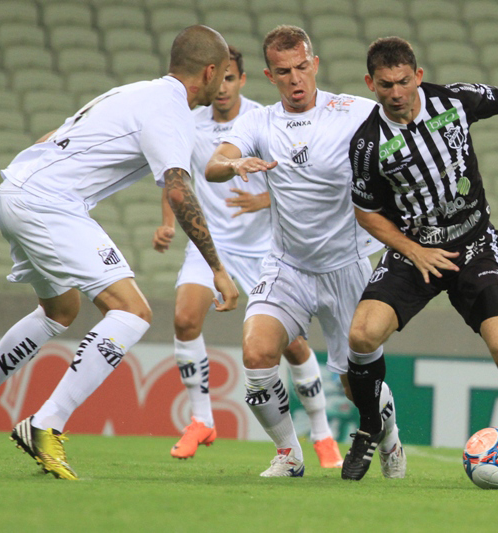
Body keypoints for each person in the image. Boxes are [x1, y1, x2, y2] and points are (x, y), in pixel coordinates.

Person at [0, 25, 239, 480]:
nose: (221, 87)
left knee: (59, 311)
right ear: (210, 72)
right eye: (222, 76)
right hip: (48, 204)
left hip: (16, 190)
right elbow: (179, 191)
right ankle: (46, 423)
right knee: (132, 312)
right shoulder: (171, 110)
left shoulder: (133, 91)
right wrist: (216, 267)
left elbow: (52, 136)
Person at [343, 37, 498, 488]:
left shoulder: (453, 100)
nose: (396, 93)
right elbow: (367, 213)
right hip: (416, 250)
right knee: (361, 336)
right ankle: (368, 427)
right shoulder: (367, 144)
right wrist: (412, 250)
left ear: (418, 76)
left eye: (403, 81)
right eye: (385, 85)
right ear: (370, 83)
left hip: (473, 244)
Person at [205, 26, 406, 478]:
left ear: (314, 64)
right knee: (256, 354)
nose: (295, 79)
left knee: (356, 386)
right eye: (283, 72)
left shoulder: (354, 112)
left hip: (346, 267)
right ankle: (288, 454)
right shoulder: (259, 123)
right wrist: (234, 163)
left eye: (301, 67)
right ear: (269, 76)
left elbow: (405, 134)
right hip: (287, 266)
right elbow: (213, 165)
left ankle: (390, 439)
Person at [152, 44, 342, 467]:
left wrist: (265, 201)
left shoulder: (263, 120)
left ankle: (322, 433)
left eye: (231, 79)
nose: (223, 88)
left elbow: (304, 182)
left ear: (243, 80)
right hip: (212, 242)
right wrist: (168, 224)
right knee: (184, 318)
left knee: (292, 346)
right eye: (217, 79)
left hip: (263, 247)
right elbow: (176, 178)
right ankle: (201, 420)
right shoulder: (191, 123)